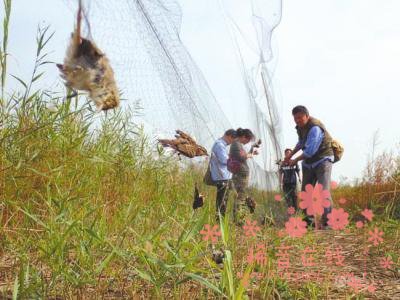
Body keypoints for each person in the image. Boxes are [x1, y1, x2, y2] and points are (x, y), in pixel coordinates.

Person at [286, 105, 334, 228]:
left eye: (300, 118)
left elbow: (310, 151)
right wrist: (290, 155)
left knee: (323, 191)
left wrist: (295, 160)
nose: (298, 120)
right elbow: (301, 142)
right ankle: (309, 222)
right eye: (295, 118)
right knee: (306, 193)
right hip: (308, 162)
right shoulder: (301, 128)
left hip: (323, 160)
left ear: (307, 116)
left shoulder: (315, 128)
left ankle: (328, 223)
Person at [229, 128, 258, 224]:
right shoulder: (236, 144)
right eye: (248, 140)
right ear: (244, 137)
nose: (247, 142)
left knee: (240, 196)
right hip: (240, 175)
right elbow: (242, 157)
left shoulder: (237, 144)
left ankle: (238, 219)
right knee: (240, 197)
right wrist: (250, 155)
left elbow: (242, 156)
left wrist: (251, 152)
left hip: (241, 174)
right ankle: (238, 220)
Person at [210, 129, 237, 219]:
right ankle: (220, 220)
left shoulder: (220, 144)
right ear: (229, 136)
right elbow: (224, 160)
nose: (231, 143)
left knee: (223, 199)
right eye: (232, 140)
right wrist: (233, 160)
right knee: (222, 200)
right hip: (221, 177)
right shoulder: (220, 145)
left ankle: (220, 219)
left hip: (222, 175)